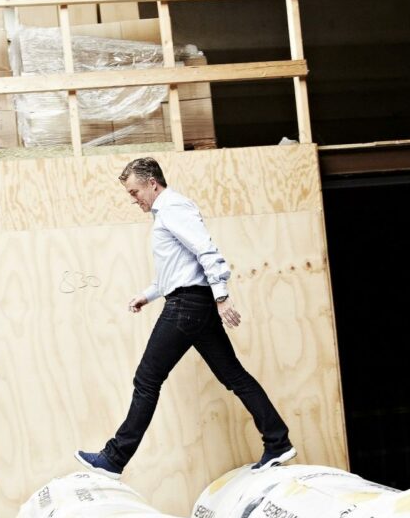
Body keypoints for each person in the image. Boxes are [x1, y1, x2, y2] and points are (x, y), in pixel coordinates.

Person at [75, 157, 295, 479]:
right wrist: (148, 295)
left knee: (146, 380)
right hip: (192, 303)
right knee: (234, 375)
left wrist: (221, 296)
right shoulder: (166, 212)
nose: (134, 199)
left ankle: (114, 458)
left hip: (187, 306)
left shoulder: (173, 208)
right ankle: (278, 442)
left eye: (135, 192)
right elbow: (177, 270)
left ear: (152, 183)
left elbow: (206, 250)